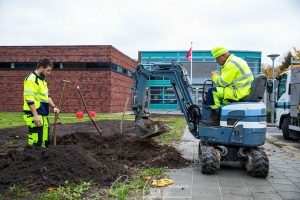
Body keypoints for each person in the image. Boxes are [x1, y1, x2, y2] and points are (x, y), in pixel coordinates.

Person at [206, 46, 254, 124]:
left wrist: (214, 75)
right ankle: (223, 116)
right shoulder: (237, 60)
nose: (216, 61)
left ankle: (215, 119)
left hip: (238, 92)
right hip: (243, 90)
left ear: (223, 56)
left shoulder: (231, 64)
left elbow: (222, 83)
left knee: (212, 92)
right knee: (222, 97)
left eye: (217, 58)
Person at [23, 58, 59, 147]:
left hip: (43, 113)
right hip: (34, 114)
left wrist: (54, 106)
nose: (49, 73)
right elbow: (29, 98)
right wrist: (35, 115)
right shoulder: (31, 79)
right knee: (36, 141)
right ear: (41, 68)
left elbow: (47, 96)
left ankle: (43, 159)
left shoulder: (42, 80)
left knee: (45, 140)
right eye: (48, 70)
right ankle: (32, 158)